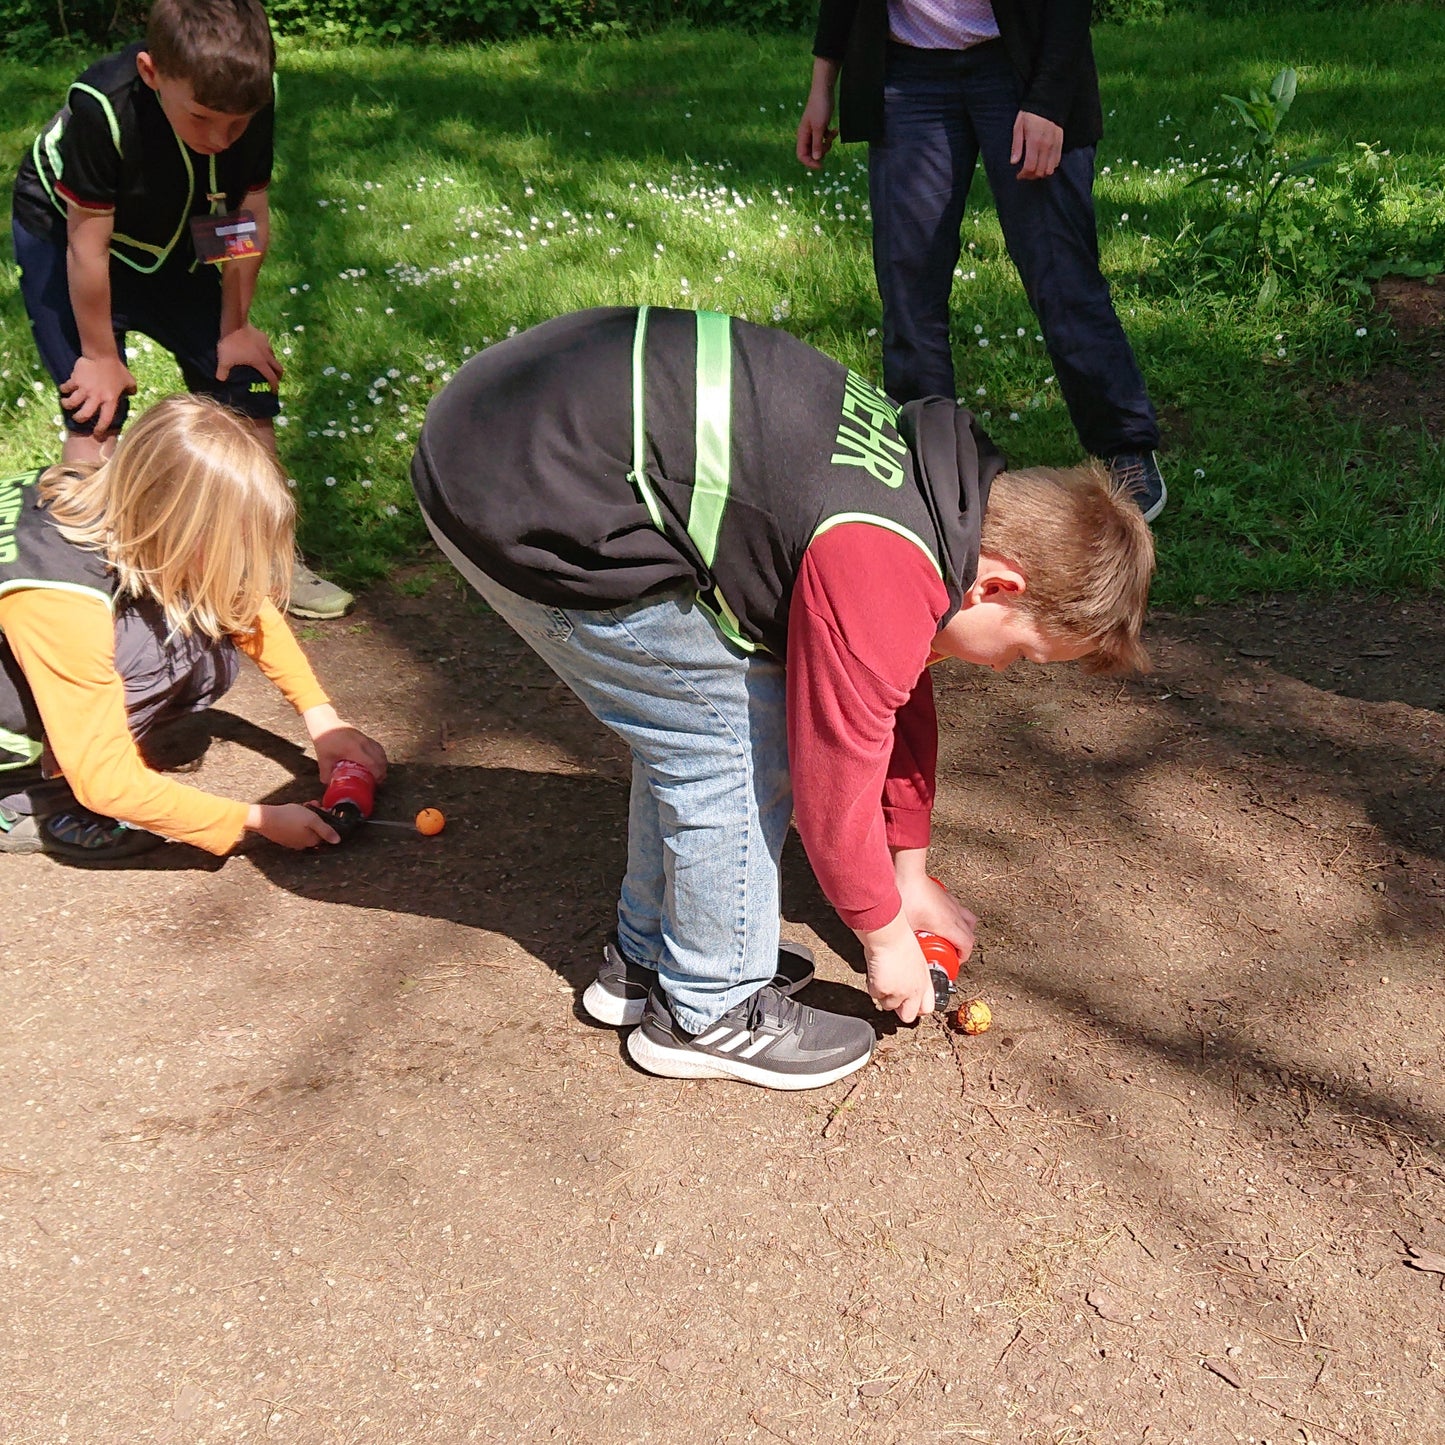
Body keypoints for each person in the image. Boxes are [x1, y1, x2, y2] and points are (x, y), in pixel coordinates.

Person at [412, 306, 1154, 1091]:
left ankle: (650, 955)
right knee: (730, 733)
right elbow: (834, 782)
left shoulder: (945, 499)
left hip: (525, 431)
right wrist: (883, 934)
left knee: (697, 715)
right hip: (512, 489)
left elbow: (895, 692)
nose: (1006, 669)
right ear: (998, 584)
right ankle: (707, 1009)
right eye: (1025, 652)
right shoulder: (878, 562)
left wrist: (910, 872)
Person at [10, 0, 353, 619]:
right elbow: (88, 246)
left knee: (242, 381)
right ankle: (85, 579)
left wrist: (236, 326)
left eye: (237, 123)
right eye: (202, 118)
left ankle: (267, 559)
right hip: (71, 235)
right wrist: (99, 355)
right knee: (95, 406)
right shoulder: (102, 106)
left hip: (176, 227)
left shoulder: (253, 91)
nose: (220, 139)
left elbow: (246, 215)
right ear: (150, 72)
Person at [796, 0, 1167, 521]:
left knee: (1061, 274)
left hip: (1017, 66)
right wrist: (822, 87)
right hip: (908, 75)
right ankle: (928, 467)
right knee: (908, 288)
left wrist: (1049, 99)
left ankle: (1122, 446)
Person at [0, 394, 388, 862]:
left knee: (195, 619)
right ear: (173, 521)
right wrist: (251, 821)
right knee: (161, 650)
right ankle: (26, 802)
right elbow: (107, 781)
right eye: (228, 543)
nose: (241, 564)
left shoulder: (105, 492)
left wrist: (322, 719)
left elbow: (237, 595)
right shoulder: (56, 595)